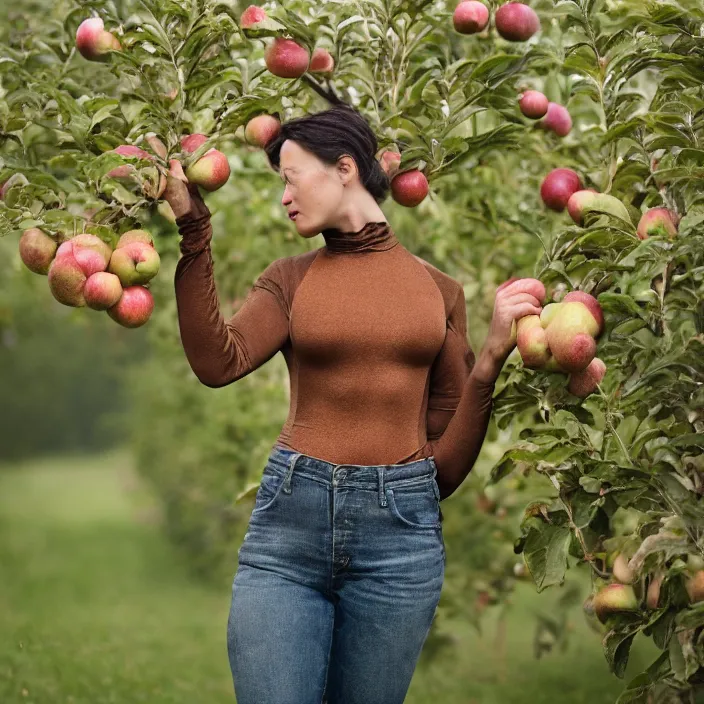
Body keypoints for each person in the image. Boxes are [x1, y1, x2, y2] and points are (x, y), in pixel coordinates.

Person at [163, 104, 544, 704]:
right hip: (289, 533)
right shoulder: (288, 280)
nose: (284, 197)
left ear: (344, 167)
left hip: (400, 541)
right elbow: (218, 361)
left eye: (291, 177)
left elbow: (442, 468)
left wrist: (491, 363)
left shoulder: (439, 292)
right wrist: (194, 230)